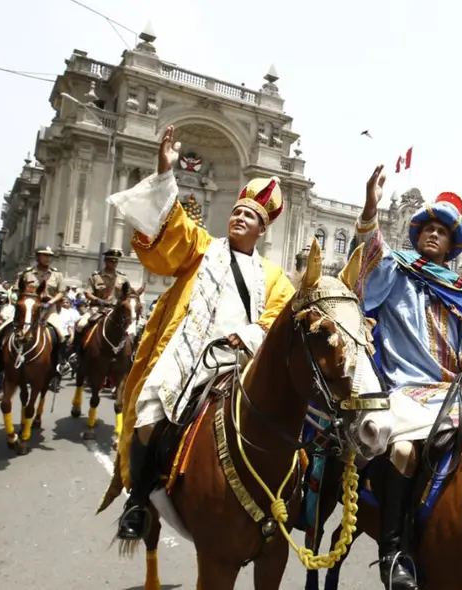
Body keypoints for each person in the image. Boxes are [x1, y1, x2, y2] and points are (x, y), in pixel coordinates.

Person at [103, 125, 296, 541]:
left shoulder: (275, 276)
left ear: (263, 229)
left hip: (240, 364)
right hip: (188, 357)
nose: (240, 218)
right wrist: (164, 172)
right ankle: (138, 498)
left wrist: (248, 337)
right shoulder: (201, 246)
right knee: (150, 410)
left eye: (250, 216)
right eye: (237, 212)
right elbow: (168, 231)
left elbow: (275, 321)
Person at [351, 165, 462, 590]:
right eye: (427, 227)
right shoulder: (395, 269)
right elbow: (365, 260)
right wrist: (371, 209)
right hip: (405, 390)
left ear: (452, 244)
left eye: (441, 231)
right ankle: (394, 554)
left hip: (454, 392)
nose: (433, 234)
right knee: (404, 452)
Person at [4, 246, 70, 391]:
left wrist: (51, 302)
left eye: (49, 256)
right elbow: (16, 290)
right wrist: (18, 301)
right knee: (3, 328)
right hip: (27, 309)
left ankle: (60, 364)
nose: (47, 258)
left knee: (60, 334)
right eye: (44, 255)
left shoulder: (56, 275)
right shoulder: (27, 274)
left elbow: (61, 292)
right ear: (37, 257)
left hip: (48, 310)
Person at [73, 249, 133, 356]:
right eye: (111, 261)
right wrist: (98, 300)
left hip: (116, 310)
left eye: (116, 261)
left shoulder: (123, 278)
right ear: (105, 261)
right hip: (97, 309)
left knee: (133, 331)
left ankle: (131, 357)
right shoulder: (96, 276)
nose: (114, 264)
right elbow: (87, 293)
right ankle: (77, 354)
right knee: (80, 325)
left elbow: (128, 294)